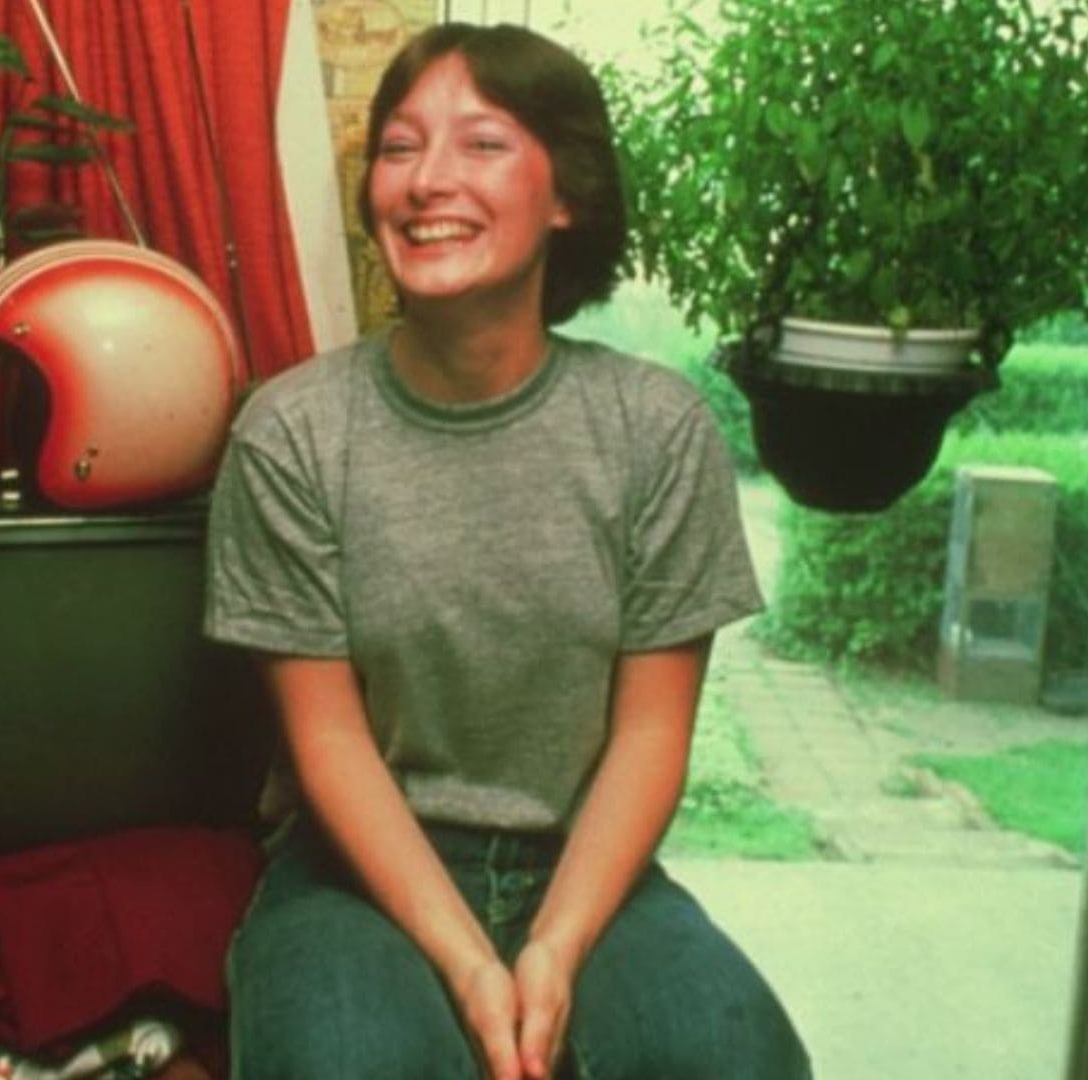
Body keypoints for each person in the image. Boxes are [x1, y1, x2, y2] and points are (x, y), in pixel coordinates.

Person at [202, 21, 810, 1080]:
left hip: (590, 870)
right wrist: (473, 966)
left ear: (564, 193)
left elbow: (651, 735)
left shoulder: (654, 429)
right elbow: (330, 745)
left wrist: (557, 945)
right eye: (399, 147)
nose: (428, 179)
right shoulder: (291, 432)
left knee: (734, 1055)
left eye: (482, 143)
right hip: (356, 869)